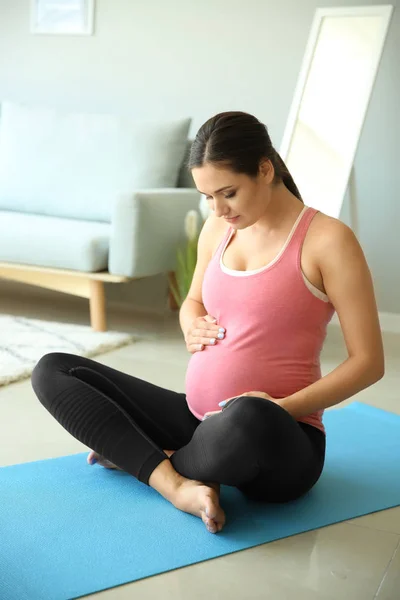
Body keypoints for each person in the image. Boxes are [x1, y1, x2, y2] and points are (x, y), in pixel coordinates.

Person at [31, 111, 384, 535]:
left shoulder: (328, 241)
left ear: (265, 169)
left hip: (277, 438)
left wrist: (280, 408)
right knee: (53, 369)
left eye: (228, 193)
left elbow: (368, 362)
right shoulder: (218, 228)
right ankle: (175, 482)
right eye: (207, 197)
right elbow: (193, 300)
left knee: (248, 416)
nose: (217, 209)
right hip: (198, 419)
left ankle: (144, 458)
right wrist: (189, 320)